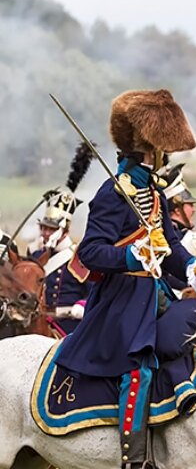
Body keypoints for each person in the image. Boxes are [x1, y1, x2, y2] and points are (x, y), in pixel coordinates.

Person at [56, 89, 196, 469]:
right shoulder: (114, 193)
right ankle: (134, 465)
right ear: (149, 150)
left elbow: (168, 245)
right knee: (140, 365)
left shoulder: (155, 194)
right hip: (120, 302)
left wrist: (191, 266)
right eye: (159, 150)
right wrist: (131, 255)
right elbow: (91, 252)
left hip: (156, 292)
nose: (162, 156)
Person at [30, 143, 95, 335]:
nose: (46, 233)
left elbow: (94, 291)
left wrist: (82, 305)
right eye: (44, 228)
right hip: (37, 324)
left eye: (51, 229)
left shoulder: (78, 257)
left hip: (68, 326)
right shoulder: (35, 256)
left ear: (64, 230)